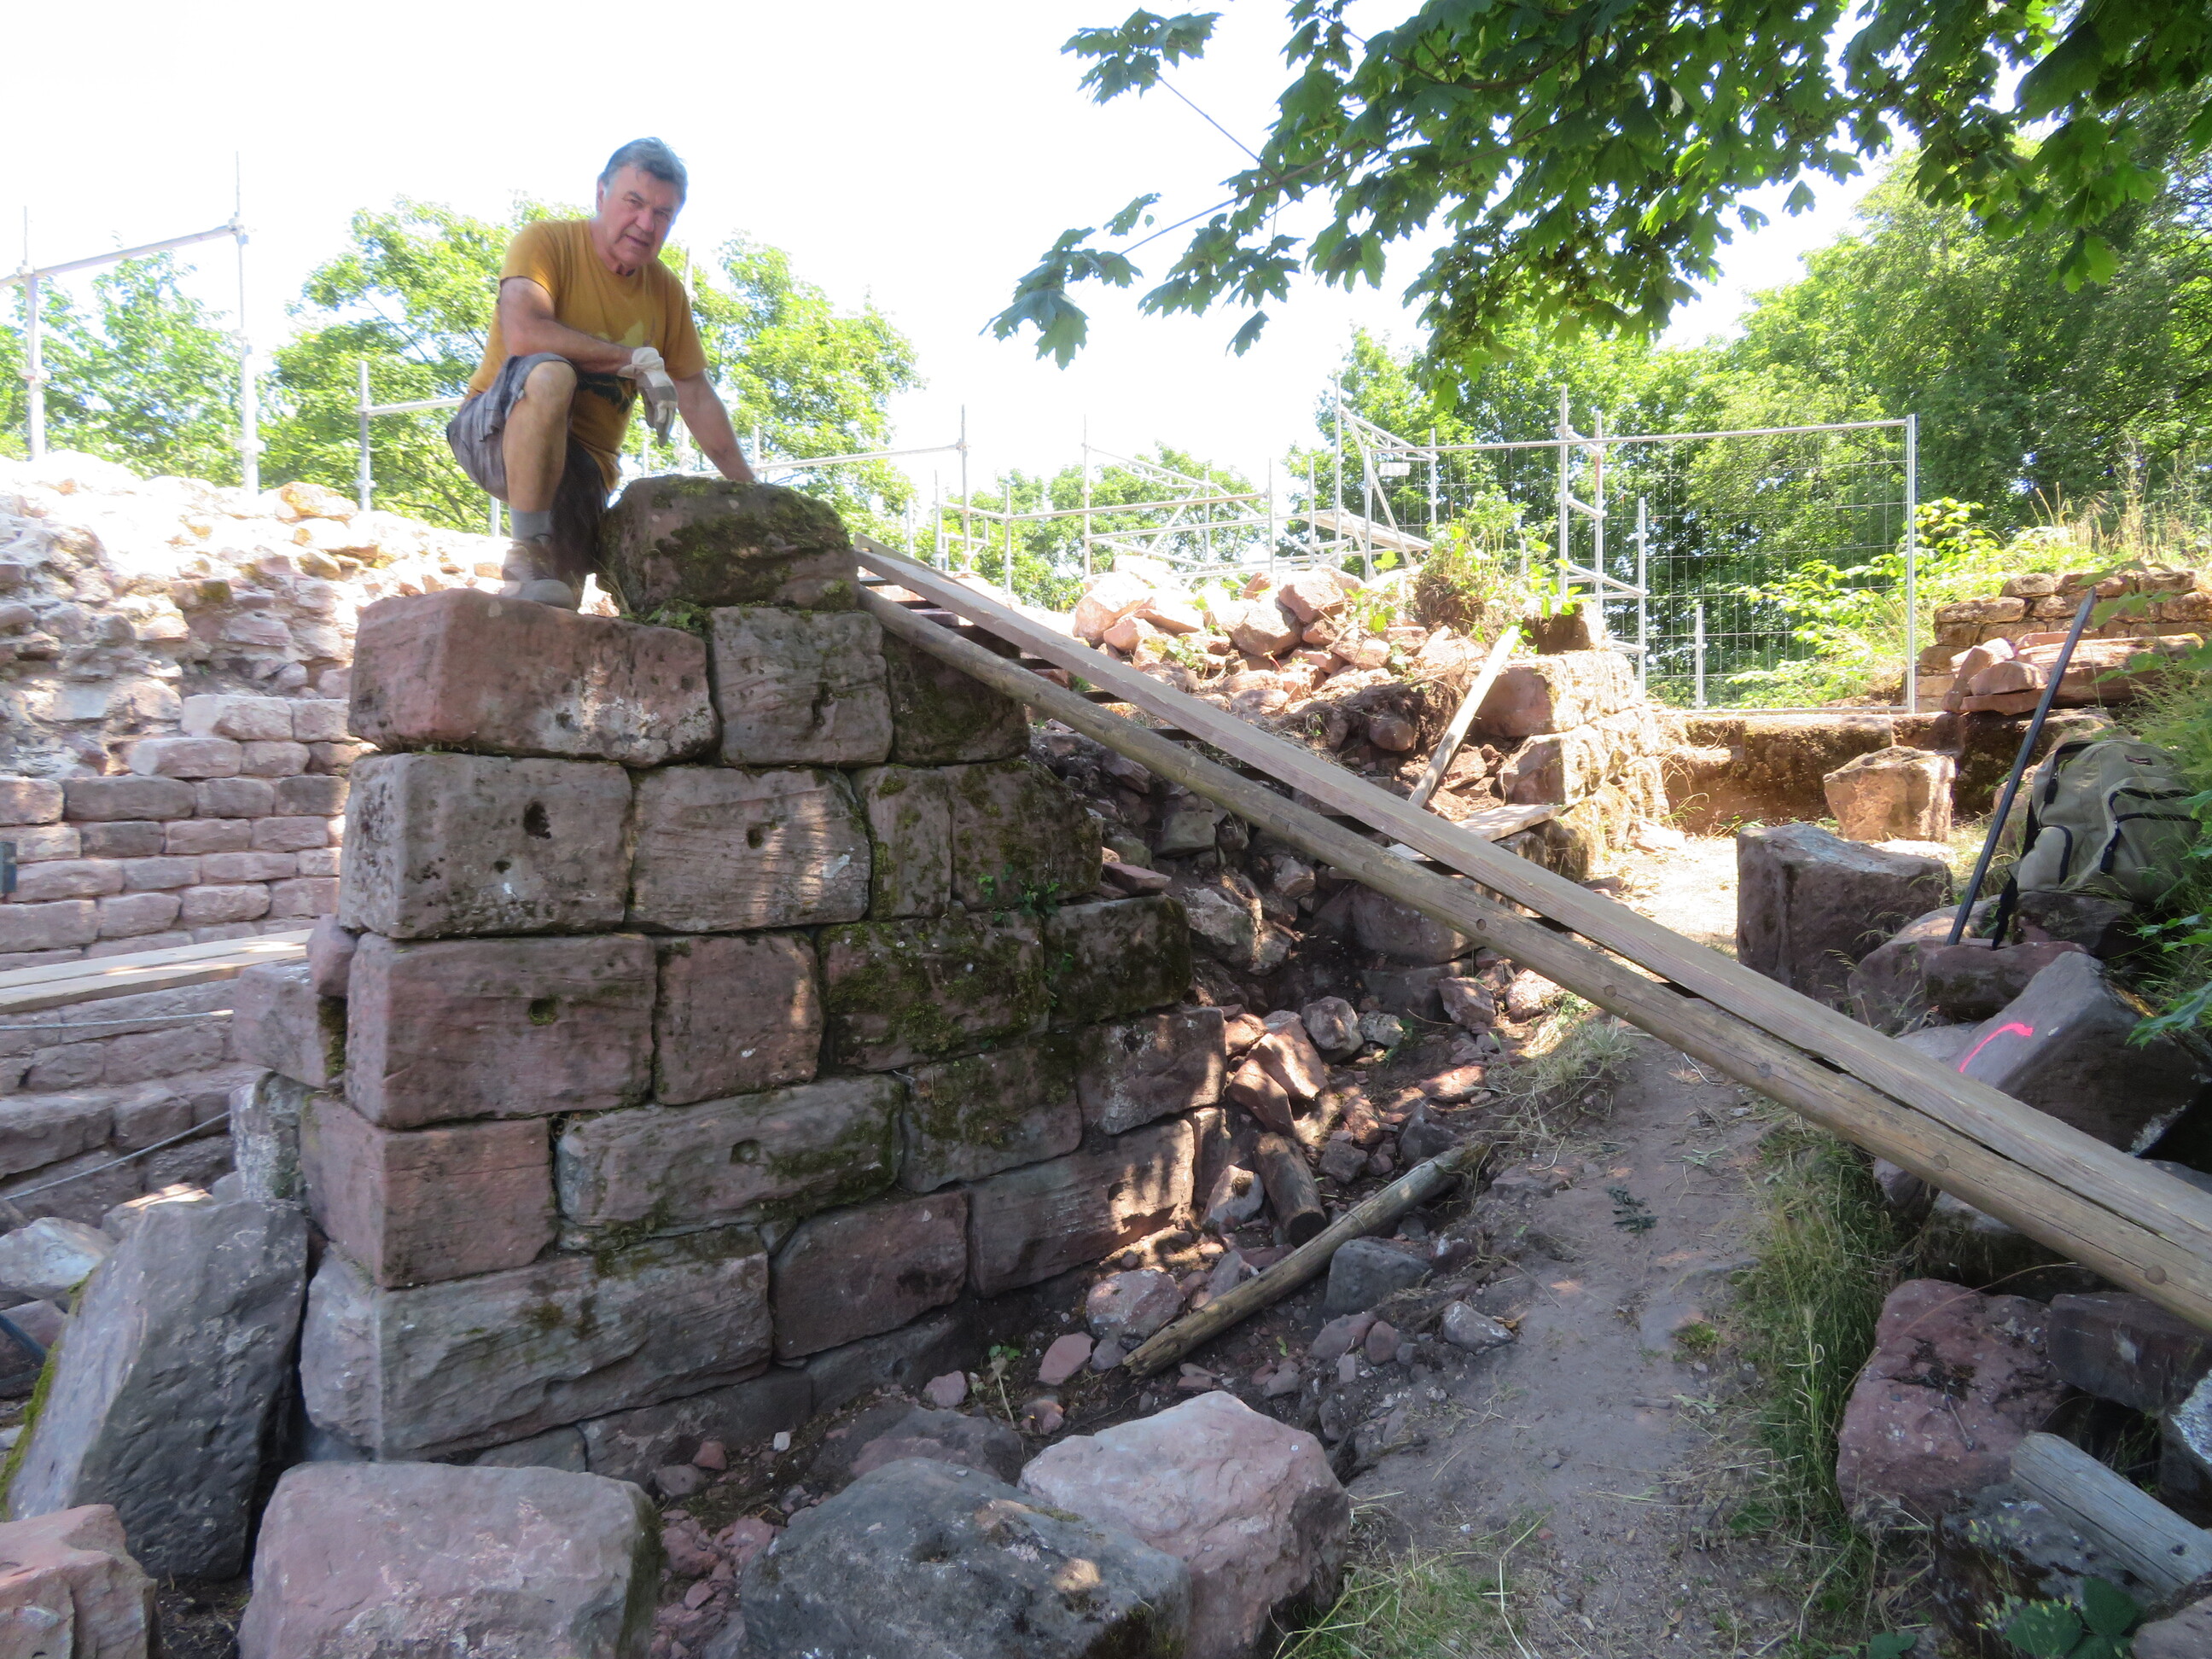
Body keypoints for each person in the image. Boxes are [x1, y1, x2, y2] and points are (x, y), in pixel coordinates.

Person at [449, 137, 755, 608]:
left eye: (662, 213)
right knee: (551, 374)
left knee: (553, 605)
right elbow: (526, 334)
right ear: (600, 194)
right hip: (494, 429)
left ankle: (532, 585)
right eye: (634, 202)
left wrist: (753, 493)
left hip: (583, 473)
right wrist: (633, 360)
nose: (645, 223)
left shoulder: (666, 293)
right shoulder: (546, 243)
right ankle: (527, 551)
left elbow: (695, 395)